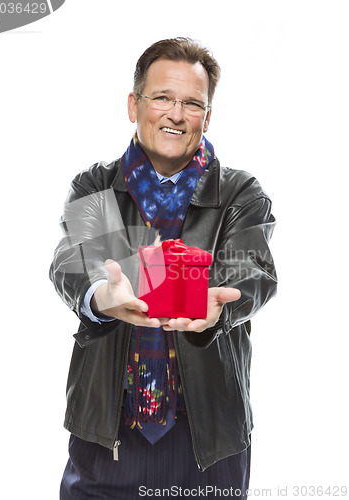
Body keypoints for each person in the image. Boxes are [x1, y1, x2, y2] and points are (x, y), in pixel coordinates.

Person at [50, 37, 277, 499]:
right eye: (162, 98)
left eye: (192, 103)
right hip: (107, 436)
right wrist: (101, 296)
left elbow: (250, 267)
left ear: (207, 117)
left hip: (208, 442)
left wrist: (219, 310)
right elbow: (76, 260)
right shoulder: (96, 186)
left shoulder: (238, 192)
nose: (176, 114)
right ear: (134, 105)